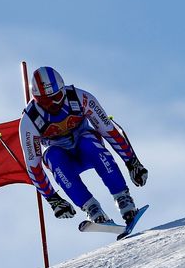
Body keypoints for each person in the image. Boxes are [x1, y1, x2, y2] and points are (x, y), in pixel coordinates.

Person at [19, 66, 148, 225]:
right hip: (63, 159)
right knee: (53, 156)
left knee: (89, 143)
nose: (53, 105)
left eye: (57, 96)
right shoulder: (29, 120)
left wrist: (132, 162)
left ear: (63, 90)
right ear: (36, 98)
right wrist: (53, 199)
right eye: (45, 101)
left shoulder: (80, 98)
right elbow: (33, 165)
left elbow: (109, 131)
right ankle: (92, 208)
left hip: (86, 147)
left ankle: (123, 197)